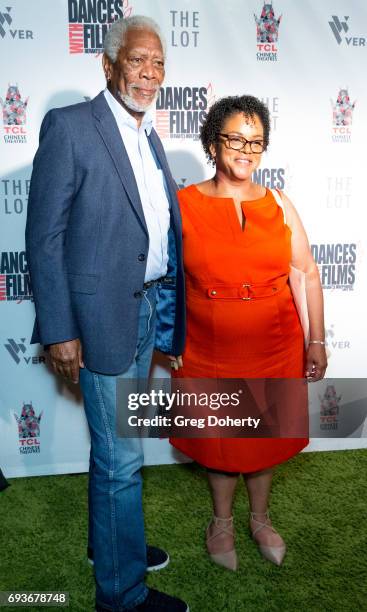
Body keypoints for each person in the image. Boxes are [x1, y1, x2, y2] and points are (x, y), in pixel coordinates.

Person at [25, 15, 189, 612]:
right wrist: (61, 329)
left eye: (159, 63)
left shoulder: (147, 135)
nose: (149, 73)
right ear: (109, 63)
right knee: (121, 460)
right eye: (138, 60)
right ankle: (122, 597)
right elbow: (43, 236)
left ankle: (111, 547)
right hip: (95, 321)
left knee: (117, 446)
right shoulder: (71, 127)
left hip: (143, 311)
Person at [170, 95, 327, 571]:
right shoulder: (182, 204)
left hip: (274, 342)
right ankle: (221, 522)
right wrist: (166, 340)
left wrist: (315, 339)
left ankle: (259, 518)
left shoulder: (279, 203)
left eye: (255, 142)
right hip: (206, 343)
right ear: (213, 143)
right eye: (236, 139)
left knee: (263, 436)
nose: (246, 150)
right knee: (220, 439)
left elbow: (305, 273)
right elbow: (163, 278)